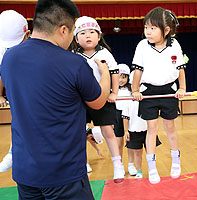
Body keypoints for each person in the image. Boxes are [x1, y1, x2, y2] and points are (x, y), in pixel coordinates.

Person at [0, 0, 111, 199]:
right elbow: (98, 101)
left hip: (25, 171)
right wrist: (106, 74)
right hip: (64, 174)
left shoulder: (9, 58)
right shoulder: (73, 62)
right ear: (63, 30)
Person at [131, 7, 186, 184]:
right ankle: (152, 166)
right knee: (151, 129)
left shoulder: (174, 45)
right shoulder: (142, 46)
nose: (148, 31)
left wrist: (182, 88)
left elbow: (180, 69)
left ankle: (175, 160)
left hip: (169, 90)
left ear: (166, 30)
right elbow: (137, 70)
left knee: (170, 127)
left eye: (153, 28)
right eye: (146, 27)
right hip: (149, 91)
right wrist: (135, 90)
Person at [73, 16, 124, 183]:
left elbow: (114, 73)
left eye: (92, 32)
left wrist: (114, 93)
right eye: (83, 33)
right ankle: (83, 164)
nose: (88, 35)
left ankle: (118, 164)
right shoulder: (74, 55)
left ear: (99, 35)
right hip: (80, 100)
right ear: (76, 38)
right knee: (79, 133)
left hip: (102, 97)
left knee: (108, 130)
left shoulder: (104, 53)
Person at [0, 10, 31, 173]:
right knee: (18, 119)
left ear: (27, 35)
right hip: (16, 91)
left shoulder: (33, 49)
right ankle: (13, 152)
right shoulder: (2, 48)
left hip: (32, 90)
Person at [123, 72, 162, 179]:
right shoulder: (128, 101)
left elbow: (154, 118)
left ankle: (152, 170)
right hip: (134, 131)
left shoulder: (148, 100)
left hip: (148, 131)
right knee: (138, 153)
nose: (139, 87)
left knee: (151, 151)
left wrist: (155, 130)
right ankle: (139, 171)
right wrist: (126, 131)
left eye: (141, 85)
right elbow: (125, 118)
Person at [114, 64, 137, 176]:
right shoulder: (112, 90)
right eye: (118, 76)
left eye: (123, 77)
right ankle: (120, 165)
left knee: (130, 142)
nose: (120, 80)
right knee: (118, 143)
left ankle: (131, 164)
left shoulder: (131, 89)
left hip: (129, 116)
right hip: (117, 116)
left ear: (128, 77)